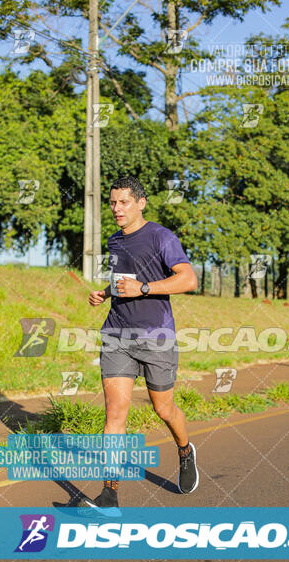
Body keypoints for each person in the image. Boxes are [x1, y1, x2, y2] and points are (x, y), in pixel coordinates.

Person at [78, 175, 199, 509]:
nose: (116, 208)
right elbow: (123, 281)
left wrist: (145, 288)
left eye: (123, 202)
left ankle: (185, 451)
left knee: (163, 408)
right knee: (115, 414)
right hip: (117, 335)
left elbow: (188, 279)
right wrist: (105, 292)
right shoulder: (115, 241)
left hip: (156, 336)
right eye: (113, 202)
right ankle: (109, 494)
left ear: (141, 203)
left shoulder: (162, 236)